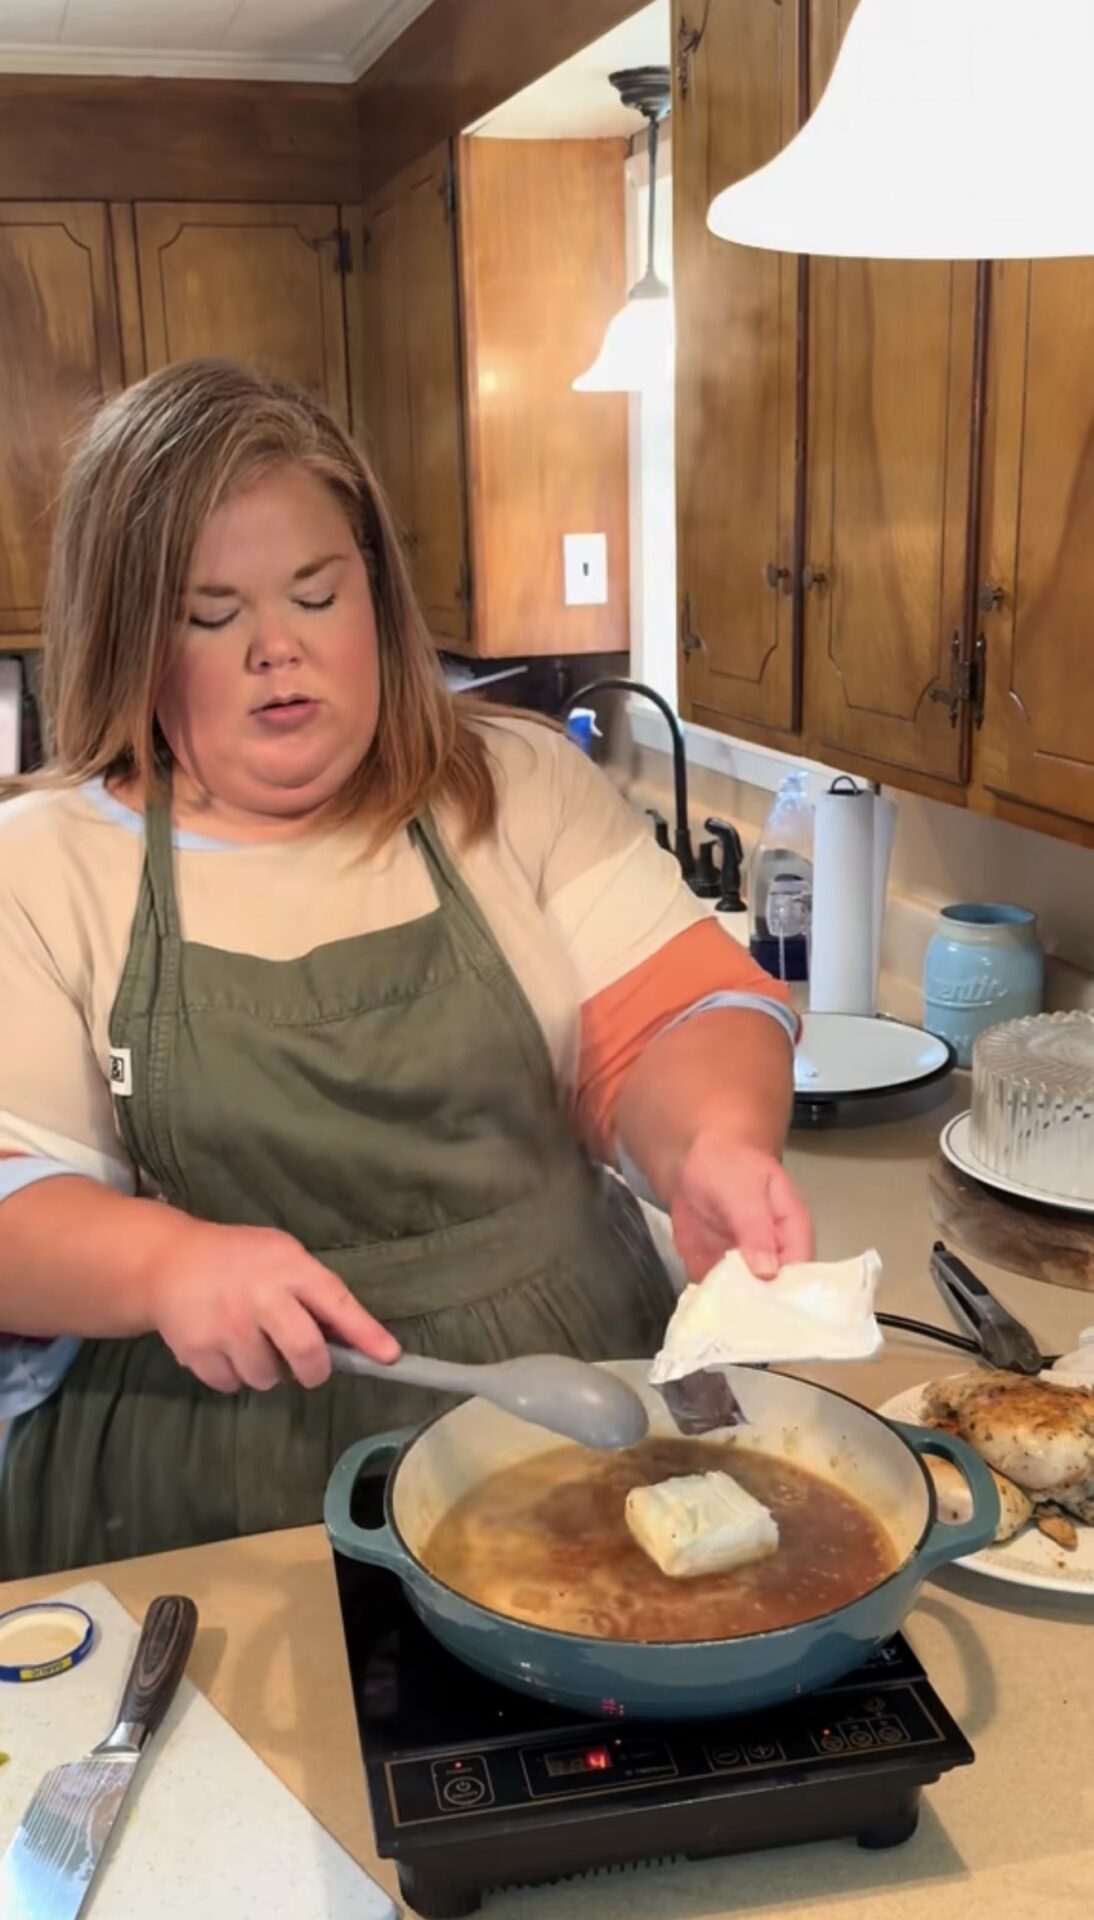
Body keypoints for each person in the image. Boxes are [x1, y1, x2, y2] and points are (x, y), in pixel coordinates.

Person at [0, 360, 812, 1579]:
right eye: (211, 615)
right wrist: (162, 1262)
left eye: (315, 595)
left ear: (374, 593)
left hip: (566, 1401)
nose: (278, 649)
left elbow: (673, 1015)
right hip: (208, 1465)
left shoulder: (515, 784)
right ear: (128, 637)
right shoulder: (43, 864)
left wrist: (709, 1146)